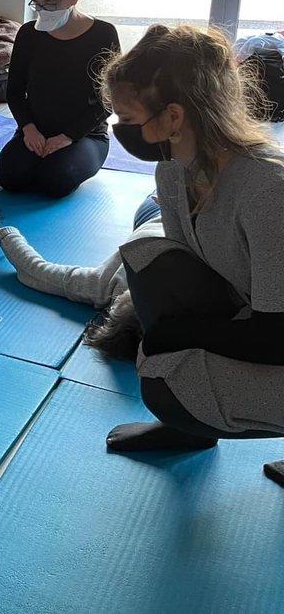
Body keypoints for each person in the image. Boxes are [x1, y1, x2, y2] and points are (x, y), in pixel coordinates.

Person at [97, 24, 284, 484]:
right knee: (149, 259)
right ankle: (194, 429)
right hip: (256, 317)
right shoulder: (173, 171)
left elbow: (278, 335)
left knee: (167, 387)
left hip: (279, 334)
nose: (120, 130)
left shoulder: (266, 188)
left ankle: (195, 418)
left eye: (127, 118)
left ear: (174, 116)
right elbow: (192, 270)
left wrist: (182, 334)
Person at [0, 0, 121, 198]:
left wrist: (69, 136)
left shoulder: (103, 34)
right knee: (9, 176)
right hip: (36, 133)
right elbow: (14, 91)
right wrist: (29, 129)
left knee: (56, 181)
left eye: (51, 5)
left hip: (84, 135)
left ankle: (69, 158)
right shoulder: (29, 34)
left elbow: (109, 100)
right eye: (37, 5)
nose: (43, 11)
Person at [0, 196, 164, 361]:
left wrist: (7, 235)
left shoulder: (103, 287)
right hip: (160, 210)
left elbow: (36, 271)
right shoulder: (108, 285)